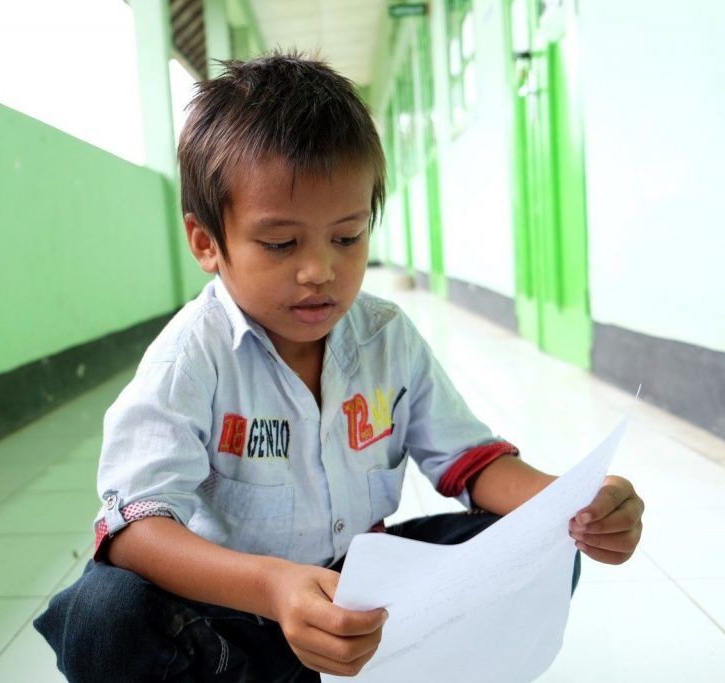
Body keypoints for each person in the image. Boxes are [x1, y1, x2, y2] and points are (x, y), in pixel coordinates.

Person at [34, 52, 644, 681]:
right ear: (206, 242)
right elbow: (134, 527)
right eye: (280, 244)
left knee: (540, 542)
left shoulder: (385, 339)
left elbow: (473, 463)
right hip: (234, 616)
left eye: (347, 237)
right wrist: (273, 587)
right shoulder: (190, 358)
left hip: (357, 610)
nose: (319, 271)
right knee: (104, 611)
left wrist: (578, 505)